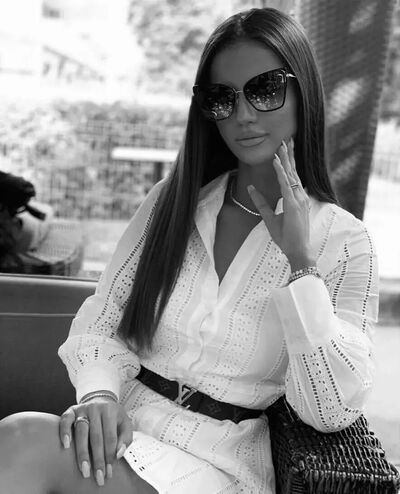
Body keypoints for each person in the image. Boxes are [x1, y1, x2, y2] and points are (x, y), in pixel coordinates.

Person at [0, 7, 379, 494]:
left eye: (265, 90)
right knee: (21, 441)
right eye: (222, 98)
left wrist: (301, 265)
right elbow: (102, 318)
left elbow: (332, 410)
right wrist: (98, 395)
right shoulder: (174, 202)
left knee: (21, 439)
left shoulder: (345, 243)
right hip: (125, 430)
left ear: (303, 91)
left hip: (217, 464)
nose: (243, 115)